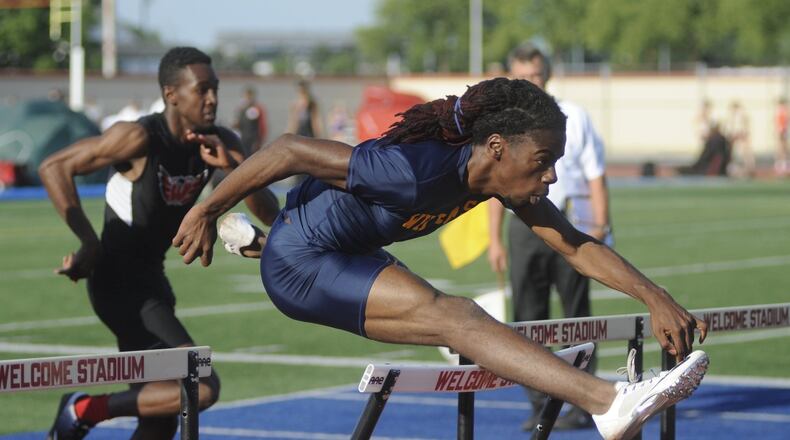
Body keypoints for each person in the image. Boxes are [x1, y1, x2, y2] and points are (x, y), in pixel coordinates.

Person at [174, 77, 709, 440]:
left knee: (455, 319)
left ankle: (255, 240)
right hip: (301, 262)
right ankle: (607, 403)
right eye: (544, 162)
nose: (550, 177)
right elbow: (289, 149)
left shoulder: (497, 181)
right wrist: (205, 208)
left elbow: (572, 242)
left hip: (342, 247)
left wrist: (654, 296)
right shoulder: (411, 171)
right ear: (497, 146)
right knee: (456, 317)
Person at [38, 47, 279, 440]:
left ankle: (90, 410)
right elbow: (54, 167)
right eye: (202, 90)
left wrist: (232, 170)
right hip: (118, 284)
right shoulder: (138, 136)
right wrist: (88, 240)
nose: (213, 98)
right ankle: (85, 408)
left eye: (215, 88)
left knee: (160, 418)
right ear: (171, 94)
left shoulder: (221, 140)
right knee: (198, 386)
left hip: (153, 282)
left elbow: (269, 212)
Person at [486, 44, 612, 431]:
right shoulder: (503, 123)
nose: (531, 82)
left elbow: (595, 174)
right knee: (528, 316)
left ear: (548, 75)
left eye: (537, 75)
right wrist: (494, 239)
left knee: (577, 316)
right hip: (522, 227)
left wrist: (600, 223)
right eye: (523, 75)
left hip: (568, 224)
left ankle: (582, 400)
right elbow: (492, 183)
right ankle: (541, 403)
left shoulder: (573, 115)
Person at [723, 100, 754, 178]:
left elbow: (745, 131)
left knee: (746, 155)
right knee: (733, 157)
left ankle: (748, 171)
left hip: (741, 141)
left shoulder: (742, 118)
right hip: (734, 142)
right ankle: (734, 171)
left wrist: (741, 135)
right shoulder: (729, 119)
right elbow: (728, 132)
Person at [234, 86, 268, 155]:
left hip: (253, 140)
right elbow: (237, 124)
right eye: (246, 96)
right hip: (242, 139)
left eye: (249, 95)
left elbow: (262, 126)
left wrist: (259, 141)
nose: (247, 98)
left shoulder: (258, 108)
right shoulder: (241, 109)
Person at [776, 97, 789, 177]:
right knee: (781, 150)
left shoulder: (785, 112)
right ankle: (781, 167)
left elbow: (785, 123)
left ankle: (784, 167)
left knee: (784, 149)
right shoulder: (780, 112)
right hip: (781, 132)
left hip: (784, 132)